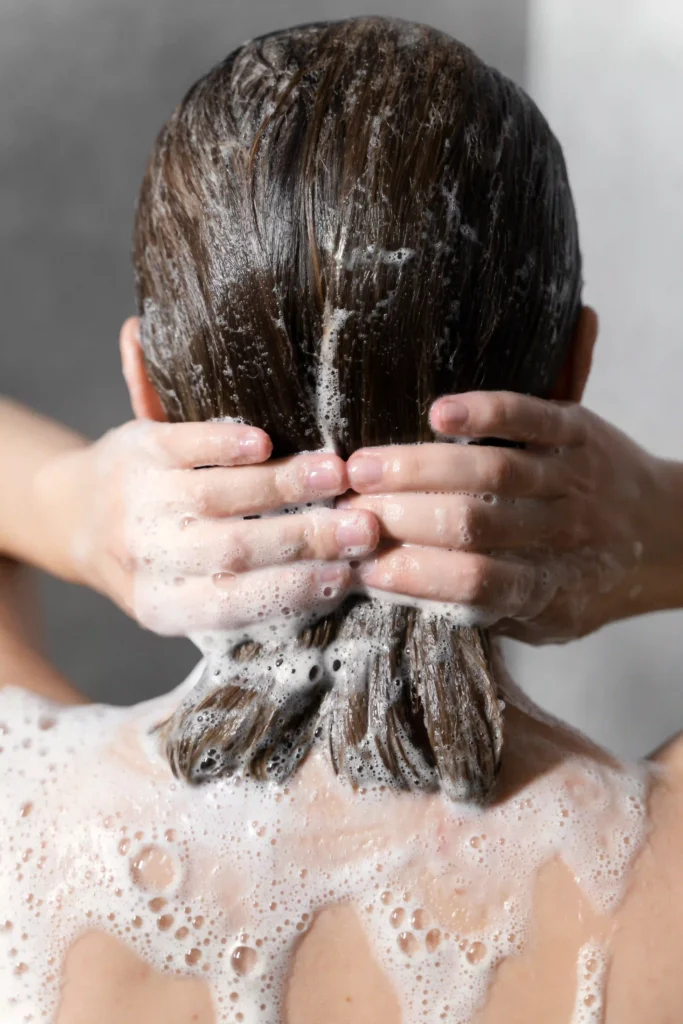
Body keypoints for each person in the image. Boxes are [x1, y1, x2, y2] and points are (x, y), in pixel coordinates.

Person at [2, 15, 683, 1023]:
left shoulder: (27, 832)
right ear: (571, 373)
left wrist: (72, 508)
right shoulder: (654, 881)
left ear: (144, 385)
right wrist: (659, 528)